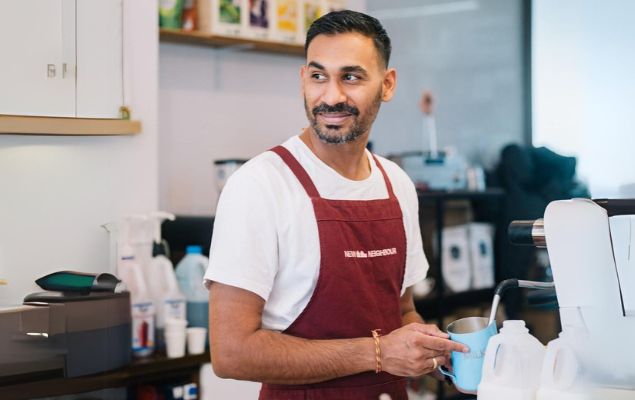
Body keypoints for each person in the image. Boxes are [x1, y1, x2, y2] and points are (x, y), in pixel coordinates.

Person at [204, 10, 469, 400]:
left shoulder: (396, 183)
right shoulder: (260, 185)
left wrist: (430, 347)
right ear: (303, 80)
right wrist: (378, 354)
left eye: (351, 76)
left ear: (387, 83)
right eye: (318, 76)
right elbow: (230, 353)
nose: (331, 96)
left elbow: (401, 311)